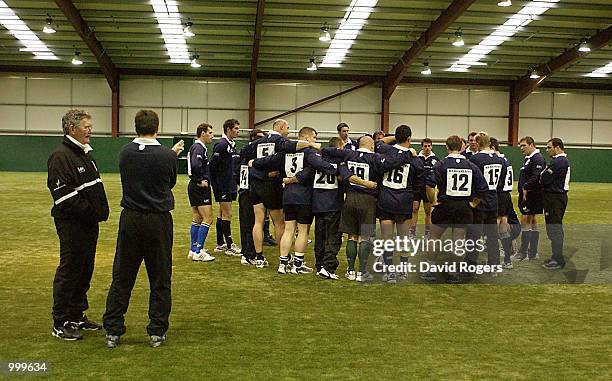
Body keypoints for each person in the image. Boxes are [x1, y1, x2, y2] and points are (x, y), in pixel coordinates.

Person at [103, 110, 184, 349]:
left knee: (122, 276)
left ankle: (113, 329)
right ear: (157, 127)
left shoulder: (125, 152)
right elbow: (169, 183)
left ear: (136, 126)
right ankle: (157, 330)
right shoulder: (167, 156)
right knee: (160, 276)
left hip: (130, 219)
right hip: (158, 220)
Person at [47, 109, 109, 341]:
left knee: (85, 269)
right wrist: (93, 212)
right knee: (70, 270)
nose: (90, 131)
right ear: (72, 129)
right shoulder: (60, 156)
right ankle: (60, 321)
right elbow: (63, 198)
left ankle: (76, 315)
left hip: (89, 225)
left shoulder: (85, 154)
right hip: (73, 225)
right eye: (86, 127)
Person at [322, 136, 405, 282]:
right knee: (365, 236)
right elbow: (394, 161)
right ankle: (362, 271)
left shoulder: (349, 153)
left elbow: (327, 151)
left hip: (350, 198)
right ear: (372, 146)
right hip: (368, 201)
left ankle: (350, 270)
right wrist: (408, 152)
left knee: (352, 236)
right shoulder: (376, 158)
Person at [246, 118, 321, 268]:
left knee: (258, 221)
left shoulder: (255, 143)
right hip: (272, 185)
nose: (288, 131)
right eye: (287, 127)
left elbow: (245, 157)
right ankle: (284, 259)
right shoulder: (280, 141)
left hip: (255, 184)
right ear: (280, 127)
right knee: (280, 223)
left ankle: (259, 257)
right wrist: (311, 144)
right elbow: (286, 151)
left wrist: (253, 164)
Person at [424, 135, 487, 283]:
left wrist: (433, 201)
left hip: (444, 205)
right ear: (462, 147)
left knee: (434, 238)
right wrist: (474, 203)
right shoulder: (471, 165)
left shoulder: (441, 164)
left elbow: (429, 185)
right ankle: (452, 272)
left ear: (447, 147)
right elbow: (483, 188)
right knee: (458, 241)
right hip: (463, 207)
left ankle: (430, 270)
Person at [375, 125, 424, 283]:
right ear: (409, 139)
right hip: (403, 201)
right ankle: (403, 270)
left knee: (387, 237)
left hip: (385, 198)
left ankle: (389, 272)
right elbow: (420, 177)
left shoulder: (385, 151)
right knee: (404, 238)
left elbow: (379, 143)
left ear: (395, 137)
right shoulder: (413, 158)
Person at [466, 132, 506, 272]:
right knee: (492, 235)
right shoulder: (500, 159)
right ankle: (494, 263)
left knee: (474, 234)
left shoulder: (475, 159)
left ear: (477, 143)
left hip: (479, 201)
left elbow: (472, 181)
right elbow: (501, 182)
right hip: (493, 200)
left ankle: (471, 262)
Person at [210, 118, 241, 256]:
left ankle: (220, 243)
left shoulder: (232, 144)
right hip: (223, 186)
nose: (238, 132)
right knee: (227, 213)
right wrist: (216, 186)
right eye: (236, 129)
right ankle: (229, 245)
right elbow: (213, 167)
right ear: (228, 129)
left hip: (230, 184)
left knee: (222, 213)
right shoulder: (221, 145)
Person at [186, 123, 216, 262]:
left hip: (193, 187)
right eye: (209, 132)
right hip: (199, 187)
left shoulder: (195, 147)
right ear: (202, 133)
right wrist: (199, 181)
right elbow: (195, 165)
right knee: (208, 218)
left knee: (197, 217)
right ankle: (199, 250)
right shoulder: (199, 147)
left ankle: (193, 250)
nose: (212, 135)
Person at [540, 138, 570, 270]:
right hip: (555, 198)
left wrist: (543, 175)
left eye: (549, 147)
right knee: (553, 228)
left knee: (554, 229)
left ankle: (558, 259)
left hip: (555, 198)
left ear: (557, 147)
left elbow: (544, 179)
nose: (547, 150)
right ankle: (556, 256)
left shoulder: (559, 161)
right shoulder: (559, 161)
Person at [514, 136, 546, 261]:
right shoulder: (529, 158)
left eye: (524, 145)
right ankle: (532, 252)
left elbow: (536, 176)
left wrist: (526, 187)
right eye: (520, 146)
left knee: (526, 220)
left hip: (532, 195)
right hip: (529, 194)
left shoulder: (537, 158)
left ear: (532, 144)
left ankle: (523, 252)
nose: (521, 148)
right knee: (532, 221)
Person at [237, 129, 266, 265]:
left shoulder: (243, 156)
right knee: (251, 224)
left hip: (243, 192)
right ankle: (249, 254)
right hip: (249, 192)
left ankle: (246, 253)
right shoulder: (252, 160)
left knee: (246, 225)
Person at [491, 137, 515, 269]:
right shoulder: (505, 160)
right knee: (503, 225)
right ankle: (507, 258)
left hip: (499, 194)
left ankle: (495, 260)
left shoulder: (498, 161)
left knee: (494, 226)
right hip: (506, 195)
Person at [411, 138, 439, 239]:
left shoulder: (436, 160)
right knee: (414, 209)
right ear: (422, 147)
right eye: (425, 146)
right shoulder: (416, 158)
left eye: (429, 146)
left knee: (428, 211)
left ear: (431, 147)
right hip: (417, 188)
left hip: (428, 189)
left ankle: (427, 232)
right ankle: (412, 232)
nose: (427, 148)